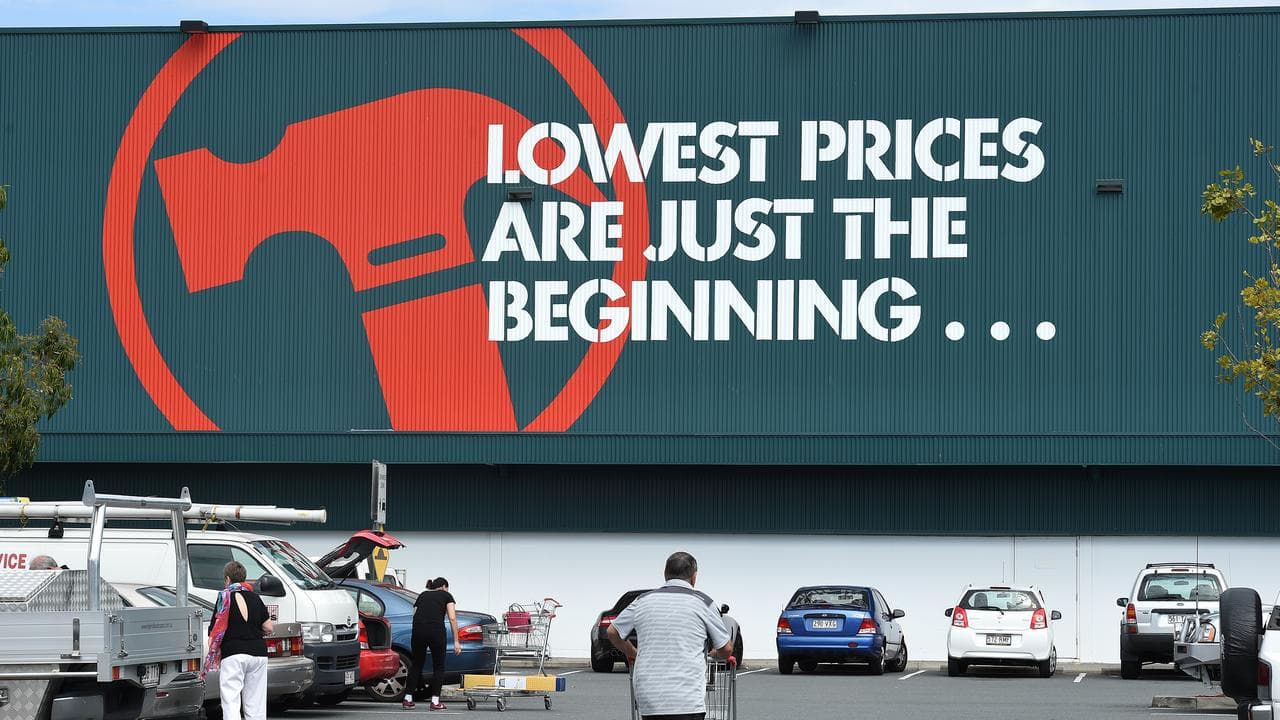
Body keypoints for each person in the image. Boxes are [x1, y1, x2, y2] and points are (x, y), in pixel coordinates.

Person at [607, 552, 734, 720]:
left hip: (649, 696)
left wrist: (632, 652)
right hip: (687, 698)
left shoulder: (642, 601)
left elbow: (612, 632)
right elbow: (726, 649)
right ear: (693, 577)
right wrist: (715, 655)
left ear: (665, 575)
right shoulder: (703, 602)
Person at [206, 561, 273, 720]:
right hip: (258, 653)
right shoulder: (255, 597)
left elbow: (215, 630)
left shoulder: (225, 597)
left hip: (234, 653)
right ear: (244, 578)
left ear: (227, 579)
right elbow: (269, 627)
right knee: (256, 702)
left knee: (231, 700)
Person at [406, 577, 461, 710]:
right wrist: (456, 640)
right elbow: (452, 618)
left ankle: (407, 699)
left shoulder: (422, 595)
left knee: (416, 665)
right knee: (439, 667)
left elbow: (414, 614)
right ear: (443, 587)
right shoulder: (447, 596)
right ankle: (435, 701)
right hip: (436, 632)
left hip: (418, 631)